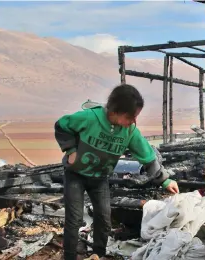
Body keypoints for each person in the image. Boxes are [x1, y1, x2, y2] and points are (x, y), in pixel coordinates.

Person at [54, 84, 179, 260]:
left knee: (104, 218)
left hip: (100, 179)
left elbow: (148, 157)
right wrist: (71, 150)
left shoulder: (129, 132)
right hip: (76, 175)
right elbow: (62, 125)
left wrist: (165, 181)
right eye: (130, 116)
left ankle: (98, 255)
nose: (133, 121)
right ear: (115, 111)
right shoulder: (89, 118)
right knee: (74, 219)